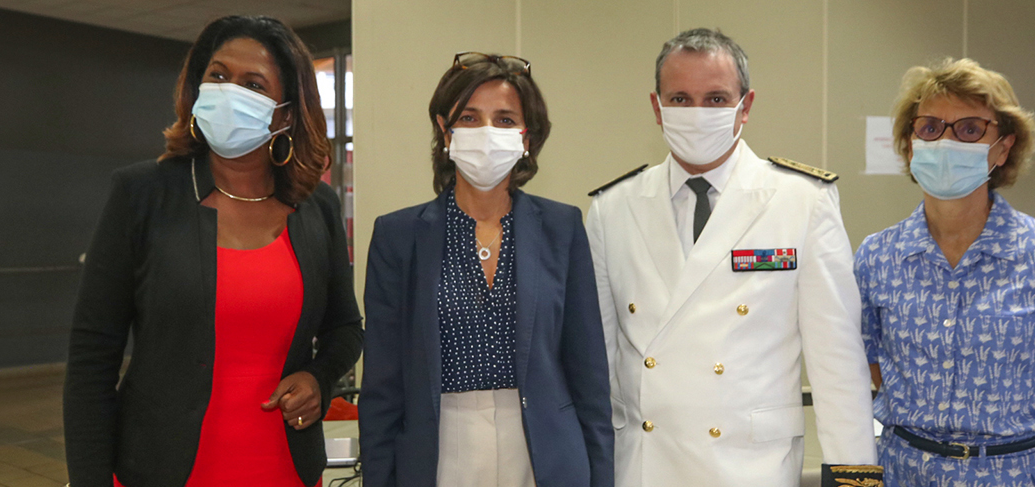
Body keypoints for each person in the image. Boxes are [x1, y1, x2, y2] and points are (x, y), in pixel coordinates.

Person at [62, 15, 362, 487]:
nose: (229, 91)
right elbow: (91, 356)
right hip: (160, 469)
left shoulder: (314, 206)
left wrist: (320, 380)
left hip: (283, 469)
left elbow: (345, 326)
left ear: (285, 113)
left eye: (253, 84)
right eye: (218, 76)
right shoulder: (142, 195)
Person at [586, 28, 881, 486]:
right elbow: (597, 364)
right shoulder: (613, 208)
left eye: (716, 99)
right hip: (645, 467)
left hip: (750, 468)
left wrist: (854, 480)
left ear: (746, 106)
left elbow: (837, 365)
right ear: (656, 108)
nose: (697, 113)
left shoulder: (801, 201)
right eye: (680, 99)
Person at [359, 52, 613, 487]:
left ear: (527, 137)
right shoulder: (398, 235)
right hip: (440, 447)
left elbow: (588, 375)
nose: (487, 133)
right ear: (445, 129)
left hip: (544, 451)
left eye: (505, 120)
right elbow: (383, 386)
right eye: (470, 118)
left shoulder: (561, 227)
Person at [857, 58, 1035, 486]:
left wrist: (1019, 448)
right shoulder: (877, 256)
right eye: (930, 127)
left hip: (1017, 473)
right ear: (909, 145)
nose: (946, 141)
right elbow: (868, 363)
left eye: (969, 129)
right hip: (906, 471)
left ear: (1003, 147)